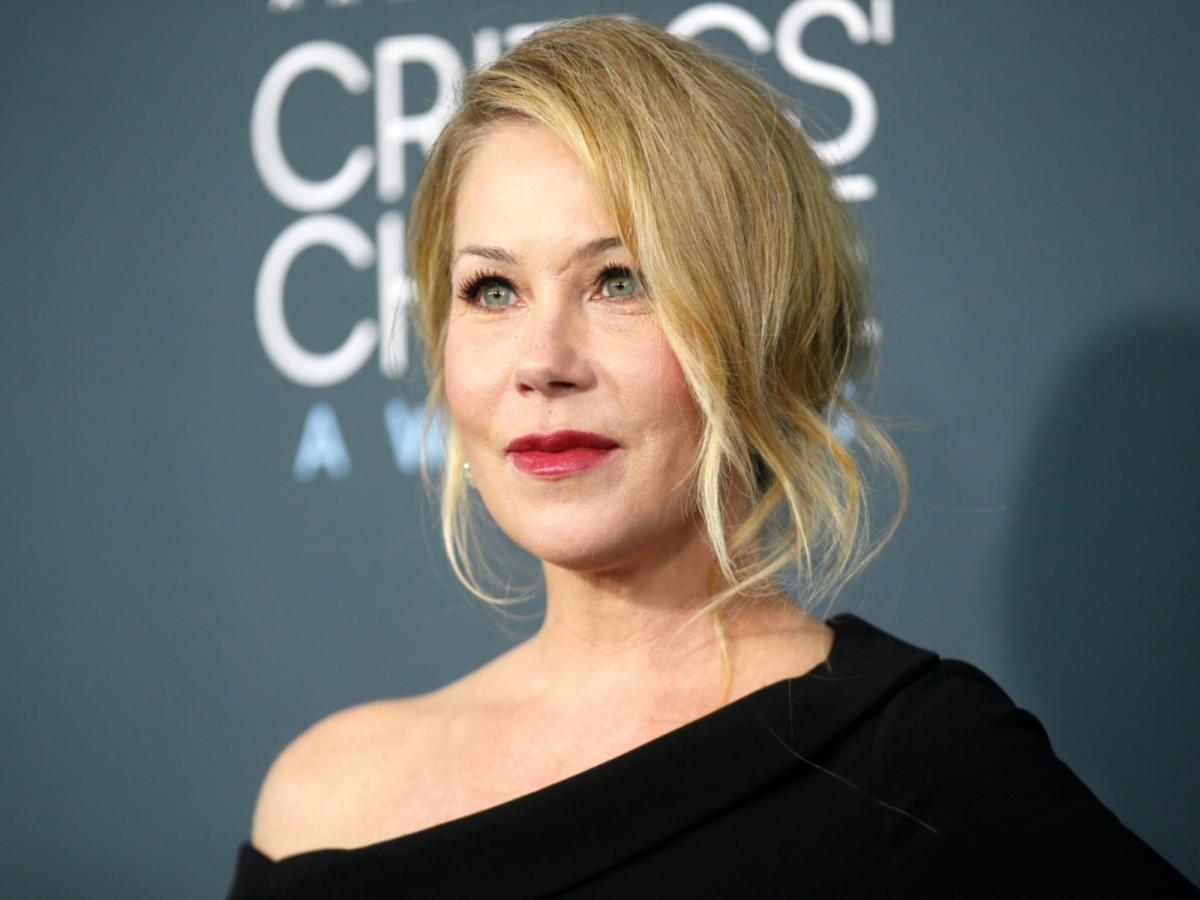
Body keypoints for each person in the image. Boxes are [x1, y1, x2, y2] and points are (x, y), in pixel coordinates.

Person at [227, 15, 1196, 899]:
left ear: (759, 328)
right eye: (492, 291)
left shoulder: (917, 764)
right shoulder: (321, 799)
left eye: (620, 280)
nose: (542, 362)